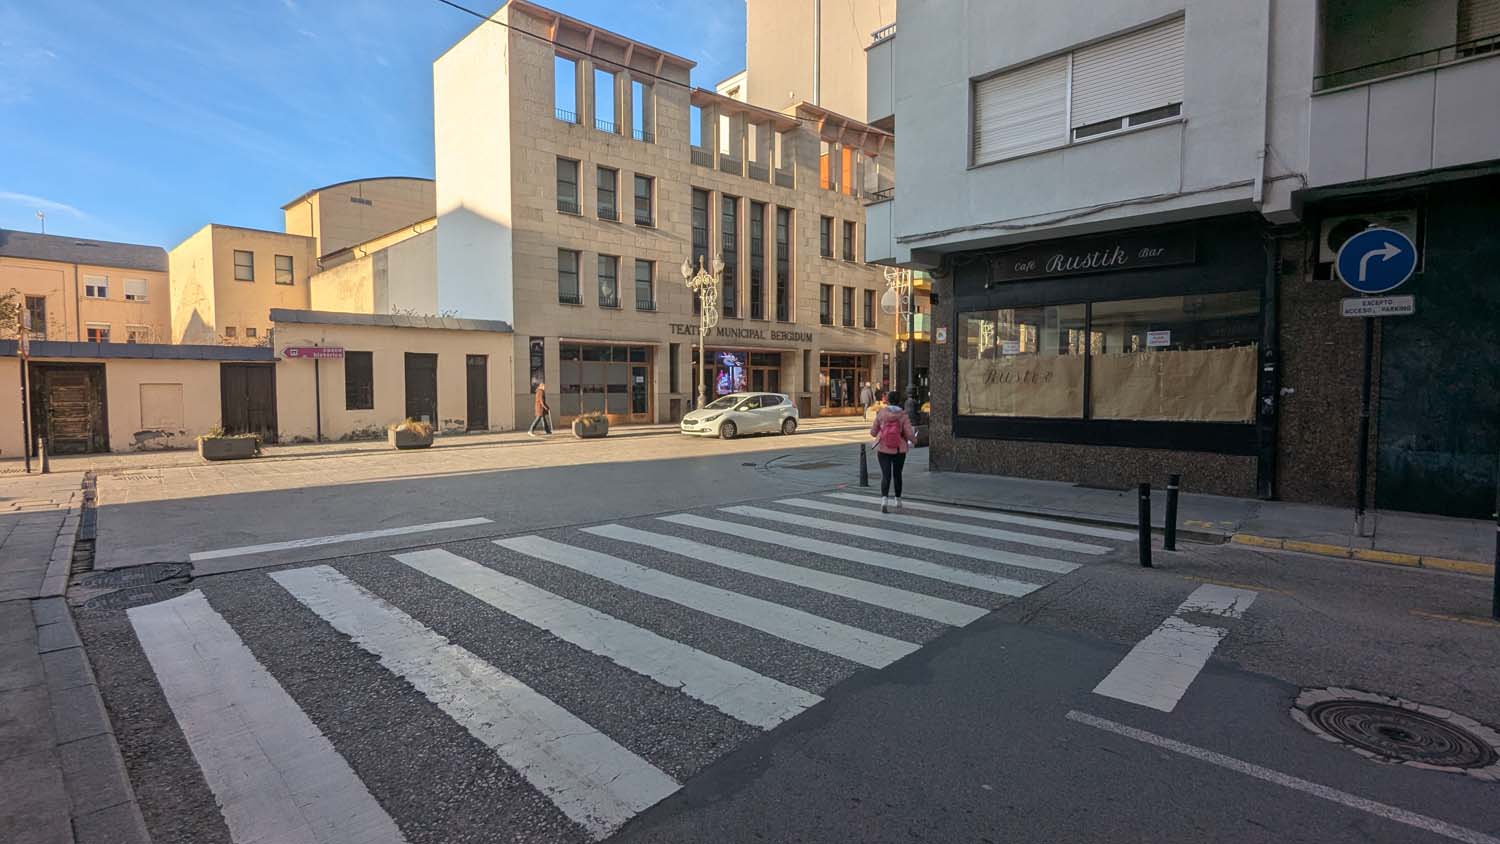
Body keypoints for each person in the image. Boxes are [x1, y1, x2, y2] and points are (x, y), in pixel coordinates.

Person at [870, 390, 916, 513]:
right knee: (897, 474)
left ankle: (884, 500)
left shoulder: (881, 413)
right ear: (899, 401)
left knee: (886, 475)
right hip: (899, 449)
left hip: (883, 448)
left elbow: (873, 432)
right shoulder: (903, 415)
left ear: (888, 400)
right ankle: (898, 500)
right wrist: (915, 440)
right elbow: (909, 433)